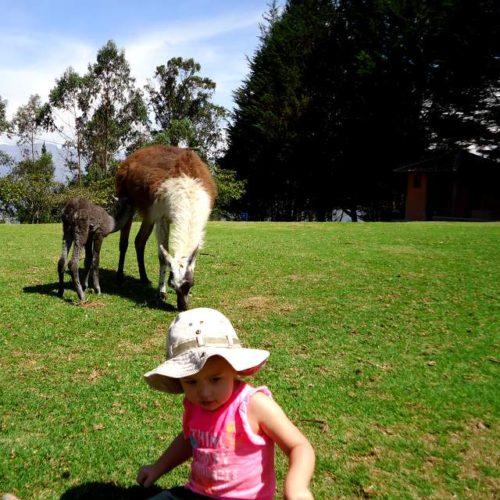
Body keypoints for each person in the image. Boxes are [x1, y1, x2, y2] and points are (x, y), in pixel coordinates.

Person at [137, 308, 315, 500]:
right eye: (191, 382)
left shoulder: (253, 405)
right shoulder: (193, 404)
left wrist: (297, 488)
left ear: (233, 368)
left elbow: (299, 446)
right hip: (196, 492)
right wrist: (158, 468)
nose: (204, 393)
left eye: (215, 379)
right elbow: (189, 439)